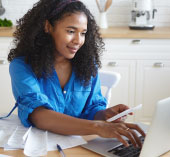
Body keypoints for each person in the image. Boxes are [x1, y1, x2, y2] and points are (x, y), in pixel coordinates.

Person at [8, 0, 145, 147]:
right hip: (38, 147)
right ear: (48, 27)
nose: (78, 41)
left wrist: (104, 115)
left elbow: (92, 108)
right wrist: (98, 127)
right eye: (71, 31)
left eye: (83, 33)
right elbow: (39, 115)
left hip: (80, 145)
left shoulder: (87, 64)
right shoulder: (22, 66)